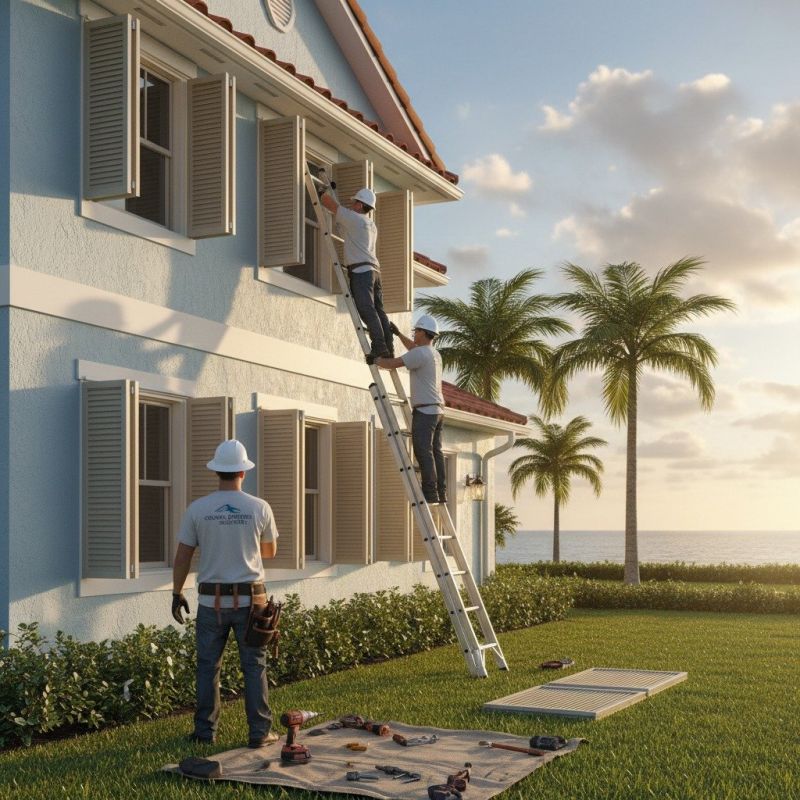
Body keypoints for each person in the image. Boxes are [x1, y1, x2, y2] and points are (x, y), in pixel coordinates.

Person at [171, 439, 279, 748]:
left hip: (210, 603)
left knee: (208, 667)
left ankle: (205, 733)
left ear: (217, 471)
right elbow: (269, 552)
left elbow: (183, 557)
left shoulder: (198, 509)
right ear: (243, 472)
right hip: (252, 604)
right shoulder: (260, 507)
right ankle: (260, 733)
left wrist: (177, 593)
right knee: (254, 666)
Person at [376, 314, 447, 505]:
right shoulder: (433, 354)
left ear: (423, 332)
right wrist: (398, 334)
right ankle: (441, 492)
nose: (414, 334)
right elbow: (413, 349)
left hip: (425, 412)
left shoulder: (420, 354)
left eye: (416, 331)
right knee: (436, 451)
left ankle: (429, 493)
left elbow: (393, 363)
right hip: (438, 411)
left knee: (424, 452)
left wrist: (375, 360)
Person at [320, 185, 394, 360]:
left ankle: (379, 346)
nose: (352, 205)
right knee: (379, 310)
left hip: (361, 272)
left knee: (366, 309)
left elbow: (330, 204)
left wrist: (322, 192)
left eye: (354, 203)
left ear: (361, 206)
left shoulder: (355, 219)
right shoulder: (370, 224)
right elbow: (345, 231)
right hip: (374, 271)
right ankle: (389, 348)